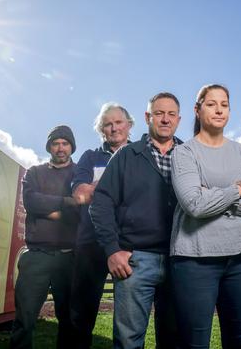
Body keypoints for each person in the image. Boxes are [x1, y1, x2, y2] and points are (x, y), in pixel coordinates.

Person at [170, 84, 241, 349]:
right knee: (195, 342)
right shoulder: (184, 152)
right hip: (195, 260)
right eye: (211, 103)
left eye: (224, 104)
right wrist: (237, 189)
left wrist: (216, 196)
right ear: (197, 109)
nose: (218, 109)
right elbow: (194, 204)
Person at [90, 92, 182, 349]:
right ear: (147, 117)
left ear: (179, 119)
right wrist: (112, 250)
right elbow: (101, 203)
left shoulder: (190, 155)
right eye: (159, 113)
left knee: (175, 339)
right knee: (129, 341)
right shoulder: (126, 155)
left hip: (181, 260)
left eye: (171, 114)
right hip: (135, 260)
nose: (165, 119)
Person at [69, 102, 134, 348]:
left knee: (128, 319)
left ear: (129, 125)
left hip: (128, 244)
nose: (114, 128)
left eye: (118, 122)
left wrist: (99, 188)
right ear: (101, 130)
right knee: (80, 317)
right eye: (108, 124)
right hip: (90, 243)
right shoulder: (90, 156)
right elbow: (80, 195)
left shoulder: (140, 154)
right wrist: (116, 188)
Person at [11, 125, 80, 348]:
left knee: (69, 321)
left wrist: (48, 209)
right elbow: (31, 203)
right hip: (36, 255)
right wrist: (65, 203)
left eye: (65, 143)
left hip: (69, 257)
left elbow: (82, 210)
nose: (60, 148)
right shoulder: (34, 172)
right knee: (24, 318)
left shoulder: (80, 174)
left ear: (72, 146)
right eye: (56, 143)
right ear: (49, 146)